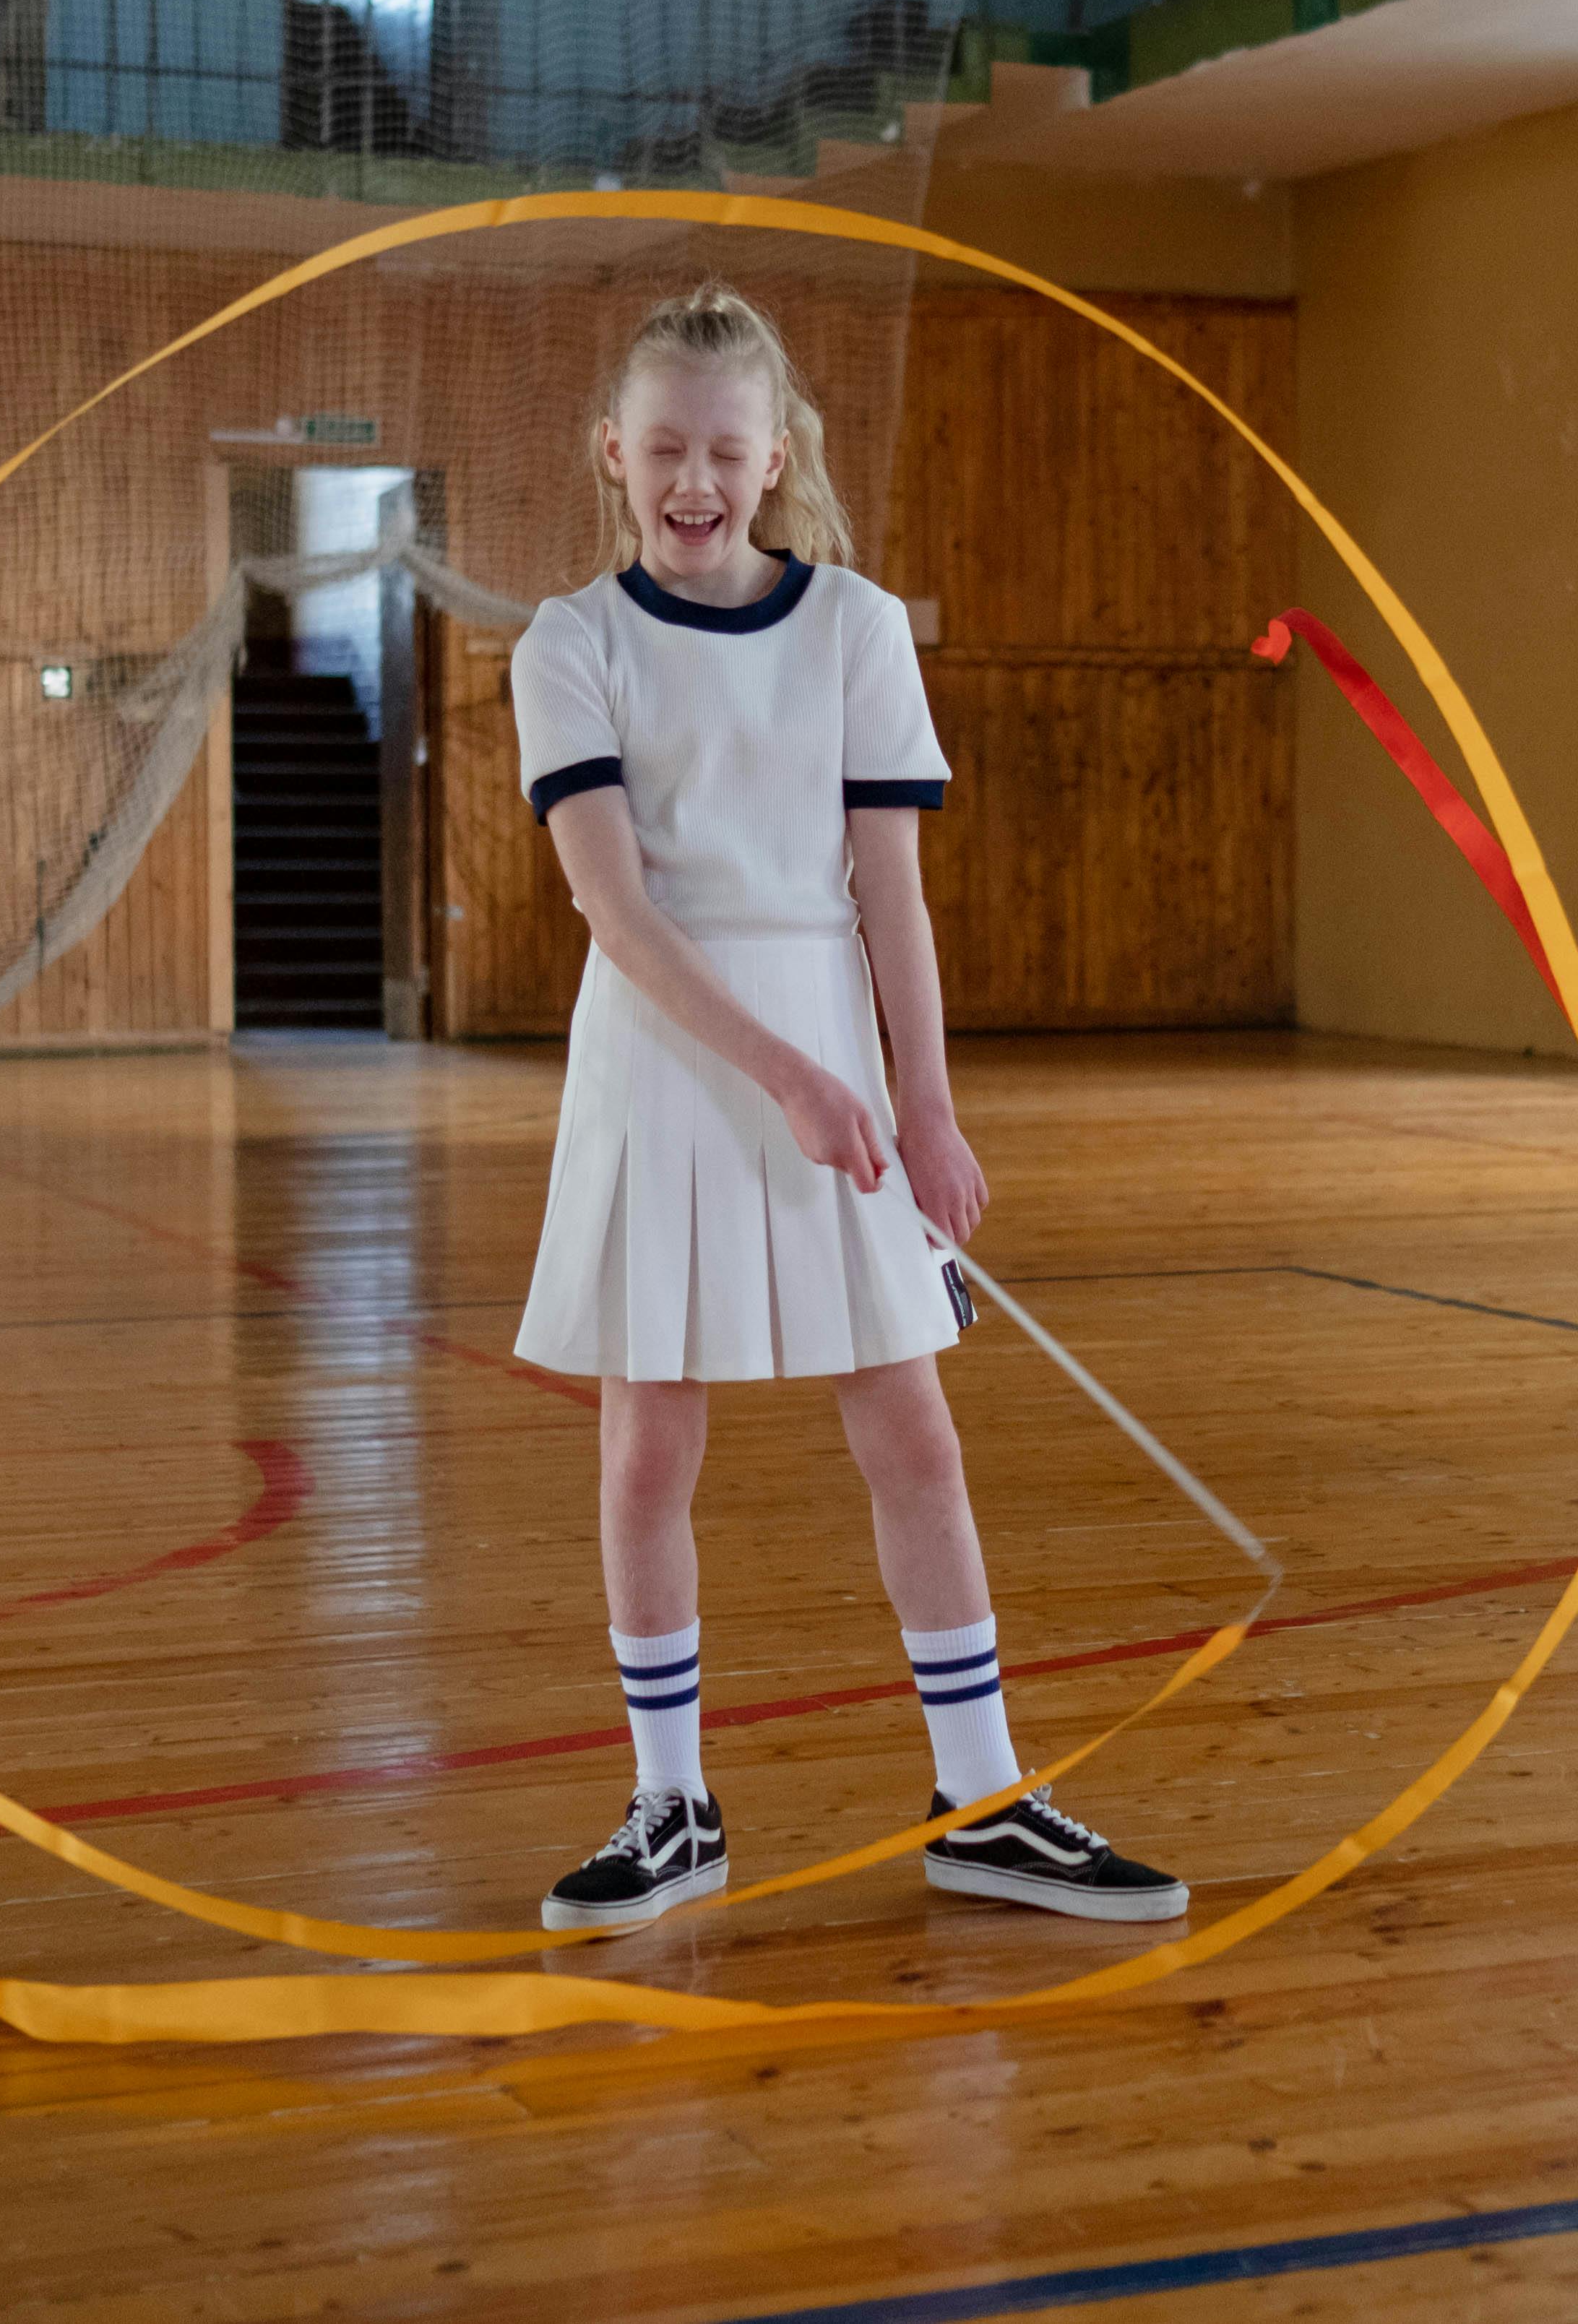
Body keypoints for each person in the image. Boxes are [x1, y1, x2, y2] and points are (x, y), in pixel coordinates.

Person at [508, 283, 1185, 1935]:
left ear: (776, 453)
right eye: (661, 446)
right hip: (668, 1058)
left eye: (724, 450)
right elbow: (613, 906)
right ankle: (672, 1805)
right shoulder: (569, 642)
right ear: (613, 451)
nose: (693, 479)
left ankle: (986, 1798)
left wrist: (926, 1107)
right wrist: (795, 1074)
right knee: (649, 1436)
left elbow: (893, 894)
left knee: (912, 1427)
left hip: (829, 1048)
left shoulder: (860, 629)